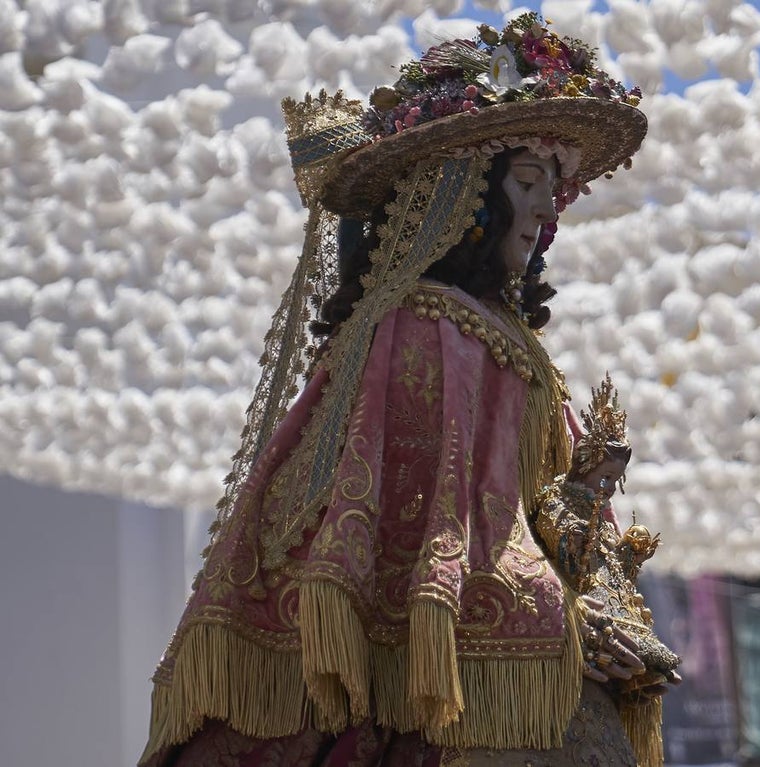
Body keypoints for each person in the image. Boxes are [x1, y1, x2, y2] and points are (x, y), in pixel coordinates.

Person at [139, 14, 674, 767]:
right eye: (526, 184)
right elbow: (431, 529)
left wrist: (603, 590)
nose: (543, 210)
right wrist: (565, 619)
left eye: (552, 190)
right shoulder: (423, 325)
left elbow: (543, 513)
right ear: (464, 195)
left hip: (540, 647)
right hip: (450, 671)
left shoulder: (517, 344)